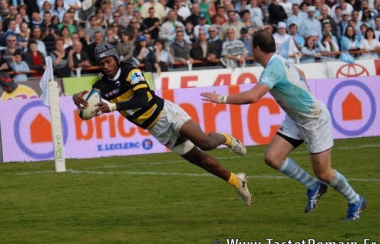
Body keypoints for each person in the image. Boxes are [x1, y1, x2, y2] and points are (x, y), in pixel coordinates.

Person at [201, 30, 366, 221]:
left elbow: (253, 96)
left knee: (324, 172)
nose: (249, 50)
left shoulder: (273, 68)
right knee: (272, 158)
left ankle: (356, 200)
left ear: (257, 48)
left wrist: (221, 99)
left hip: (313, 120)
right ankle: (314, 186)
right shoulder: (278, 60)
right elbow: (300, 73)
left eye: (250, 46)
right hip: (296, 119)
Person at [72, 42, 251, 207]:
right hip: (157, 129)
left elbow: (142, 99)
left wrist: (114, 106)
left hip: (167, 114)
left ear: (116, 59)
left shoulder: (131, 72)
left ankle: (226, 137)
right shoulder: (101, 85)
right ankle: (238, 181)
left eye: (108, 61)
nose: (105, 66)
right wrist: (76, 99)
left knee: (207, 144)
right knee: (200, 161)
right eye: (101, 63)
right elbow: (88, 106)